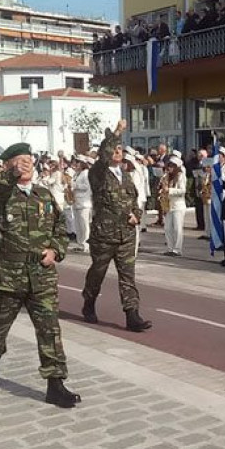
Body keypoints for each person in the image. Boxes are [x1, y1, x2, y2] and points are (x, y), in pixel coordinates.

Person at [0, 142, 81, 408]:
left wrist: (55, 251)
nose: (26, 165)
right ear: (7, 164)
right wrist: (11, 173)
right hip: (8, 275)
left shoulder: (43, 195)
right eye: (19, 161)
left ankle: (55, 383)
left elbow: (61, 229)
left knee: (50, 330)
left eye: (29, 160)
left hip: (42, 275)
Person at [81, 119, 152, 332]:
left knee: (128, 276)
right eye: (115, 149)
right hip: (104, 235)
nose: (118, 152)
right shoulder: (98, 173)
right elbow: (104, 155)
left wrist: (137, 216)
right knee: (98, 272)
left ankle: (132, 315)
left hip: (126, 235)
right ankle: (89, 302)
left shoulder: (126, 176)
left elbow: (135, 199)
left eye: (121, 149)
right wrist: (118, 131)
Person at [163, 156, 187, 256]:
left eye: (172, 166)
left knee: (177, 228)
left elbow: (182, 191)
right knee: (167, 228)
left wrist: (170, 190)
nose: (169, 168)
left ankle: (177, 249)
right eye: (169, 166)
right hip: (169, 205)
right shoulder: (167, 177)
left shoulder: (181, 176)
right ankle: (170, 248)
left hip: (178, 205)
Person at [72, 155, 93, 253]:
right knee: (78, 225)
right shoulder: (77, 174)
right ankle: (80, 243)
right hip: (76, 201)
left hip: (84, 202)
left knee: (84, 225)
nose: (76, 164)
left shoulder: (86, 173)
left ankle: (86, 244)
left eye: (78, 162)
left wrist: (75, 185)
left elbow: (86, 186)